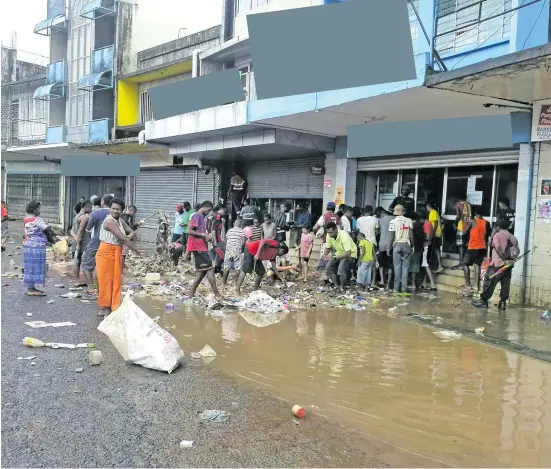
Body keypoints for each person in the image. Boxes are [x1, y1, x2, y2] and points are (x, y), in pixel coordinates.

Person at [96, 199, 141, 317]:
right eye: (113, 208)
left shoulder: (120, 220)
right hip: (106, 252)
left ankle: (113, 306)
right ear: (110, 208)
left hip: (117, 251)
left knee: (116, 280)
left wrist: (128, 236)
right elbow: (123, 238)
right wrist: (137, 250)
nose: (115, 211)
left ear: (122, 211)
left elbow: (131, 232)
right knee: (106, 281)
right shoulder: (109, 222)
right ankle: (106, 308)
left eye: (118, 209)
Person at [472, 218, 519, 310]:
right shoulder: (512, 237)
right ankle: (502, 303)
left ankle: (483, 301)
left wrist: (503, 259)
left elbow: (497, 247)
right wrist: (510, 259)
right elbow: (517, 251)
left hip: (497, 264)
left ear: (497, 227)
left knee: (489, 282)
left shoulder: (497, 235)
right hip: (508, 266)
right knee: (505, 284)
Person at [23, 201, 59, 296]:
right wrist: (55, 238)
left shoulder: (27, 218)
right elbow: (47, 229)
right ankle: (31, 290)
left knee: (30, 267)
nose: (40, 210)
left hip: (28, 245)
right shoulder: (36, 219)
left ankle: (31, 288)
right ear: (35, 210)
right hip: (36, 246)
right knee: (35, 266)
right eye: (39, 209)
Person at [187, 201, 222, 299]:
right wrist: (203, 235)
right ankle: (217, 294)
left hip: (201, 247)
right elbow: (189, 231)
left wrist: (207, 238)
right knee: (210, 269)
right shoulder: (197, 216)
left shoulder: (201, 217)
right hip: (198, 248)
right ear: (204, 207)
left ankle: (191, 294)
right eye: (209, 210)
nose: (209, 212)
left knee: (201, 273)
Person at [81, 194, 114, 295]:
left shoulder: (96, 214)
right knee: (105, 269)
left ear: (102, 201)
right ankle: (103, 289)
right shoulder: (115, 214)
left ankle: (91, 288)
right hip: (110, 245)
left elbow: (88, 229)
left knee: (87, 266)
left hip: (95, 245)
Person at [322, 222, 357, 292]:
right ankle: (337, 286)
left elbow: (348, 253)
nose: (329, 234)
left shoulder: (344, 235)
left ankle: (342, 288)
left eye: (331, 232)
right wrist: (324, 254)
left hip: (350, 253)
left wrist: (334, 257)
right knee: (328, 268)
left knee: (340, 269)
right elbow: (327, 249)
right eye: (328, 232)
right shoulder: (329, 235)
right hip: (339, 252)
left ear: (336, 230)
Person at [389, 205, 414, 294]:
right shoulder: (409, 220)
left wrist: (389, 247)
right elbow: (411, 235)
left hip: (397, 245)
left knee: (397, 267)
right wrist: (413, 246)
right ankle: (404, 289)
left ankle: (396, 289)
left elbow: (392, 236)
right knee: (405, 268)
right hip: (407, 245)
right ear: (403, 212)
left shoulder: (393, 222)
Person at [463, 210, 490, 291]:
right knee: (477, 265)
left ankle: (468, 285)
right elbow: (487, 235)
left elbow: (464, 232)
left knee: (465, 264)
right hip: (482, 247)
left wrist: (465, 223)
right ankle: (477, 286)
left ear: (475, 213)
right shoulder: (487, 222)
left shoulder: (472, 221)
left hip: (473, 246)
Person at [313, 202, 342, 276]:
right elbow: (340, 229)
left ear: (326, 208)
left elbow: (315, 227)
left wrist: (316, 234)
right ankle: (333, 278)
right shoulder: (338, 217)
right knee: (334, 260)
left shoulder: (324, 216)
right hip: (336, 243)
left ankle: (325, 278)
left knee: (324, 260)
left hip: (326, 241)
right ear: (334, 208)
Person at [73, 200, 93, 286]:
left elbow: (72, 231)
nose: (91, 209)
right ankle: (81, 281)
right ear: (87, 207)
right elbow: (80, 231)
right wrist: (78, 244)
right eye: (91, 207)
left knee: (77, 261)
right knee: (84, 262)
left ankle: (78, 280)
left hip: (77, 241)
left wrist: (75, 240)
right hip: (83, 243)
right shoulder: (84, 217)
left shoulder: (76, 216)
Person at [375, 207, 394, 289]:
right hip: (391, 245)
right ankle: (388, 284)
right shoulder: (394, 218)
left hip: (382, 244)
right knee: (390, 266)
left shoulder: (380, 220)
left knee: (381, 265)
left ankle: (382, 280)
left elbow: (378, 232)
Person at [223, 219, 246, 285]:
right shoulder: (241, 231)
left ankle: (224, 283)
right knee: (237, 266)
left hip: (229, 251)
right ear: (240, 225)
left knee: (226, 267)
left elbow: (226, 240)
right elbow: (244, 242)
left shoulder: (229, 231)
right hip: (236, 251)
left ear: (234, 224)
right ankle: (236, 282)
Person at [419, 210, 437, 291]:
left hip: (426, 246)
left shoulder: (426, 224)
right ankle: (424, 283)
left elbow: (428, 237)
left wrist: (420, 238)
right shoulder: (429, 223)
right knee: (424, 265)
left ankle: (433, 284)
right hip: (428, 246)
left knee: (426, 265)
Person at [453, 195, 472, 270]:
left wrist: (454, 223)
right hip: (469, 226)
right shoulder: (469, 204)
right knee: (467, 245)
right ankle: (466, 263)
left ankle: (461, 264)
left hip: (461, 227)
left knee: (461, 246)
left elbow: (458, 216)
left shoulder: (458, 204)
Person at [425, 201, 444, 273]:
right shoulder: (434, 212)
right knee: (436, 250)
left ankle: (440, 266)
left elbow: (435, 223)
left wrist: (432, 234)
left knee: (436, 250)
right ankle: (439, 266)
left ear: (428, 206)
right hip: (437, 233)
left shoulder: (432, 212)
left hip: (435, 234)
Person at [408, 212, 425, 291]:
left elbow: (411, 237)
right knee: (416, 265)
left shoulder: (412, 225)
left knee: (413, 266)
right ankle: (414, 283)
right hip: (420, 248)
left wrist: (412, 246)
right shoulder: (419, 225)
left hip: (415, 249)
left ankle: (413, 284)